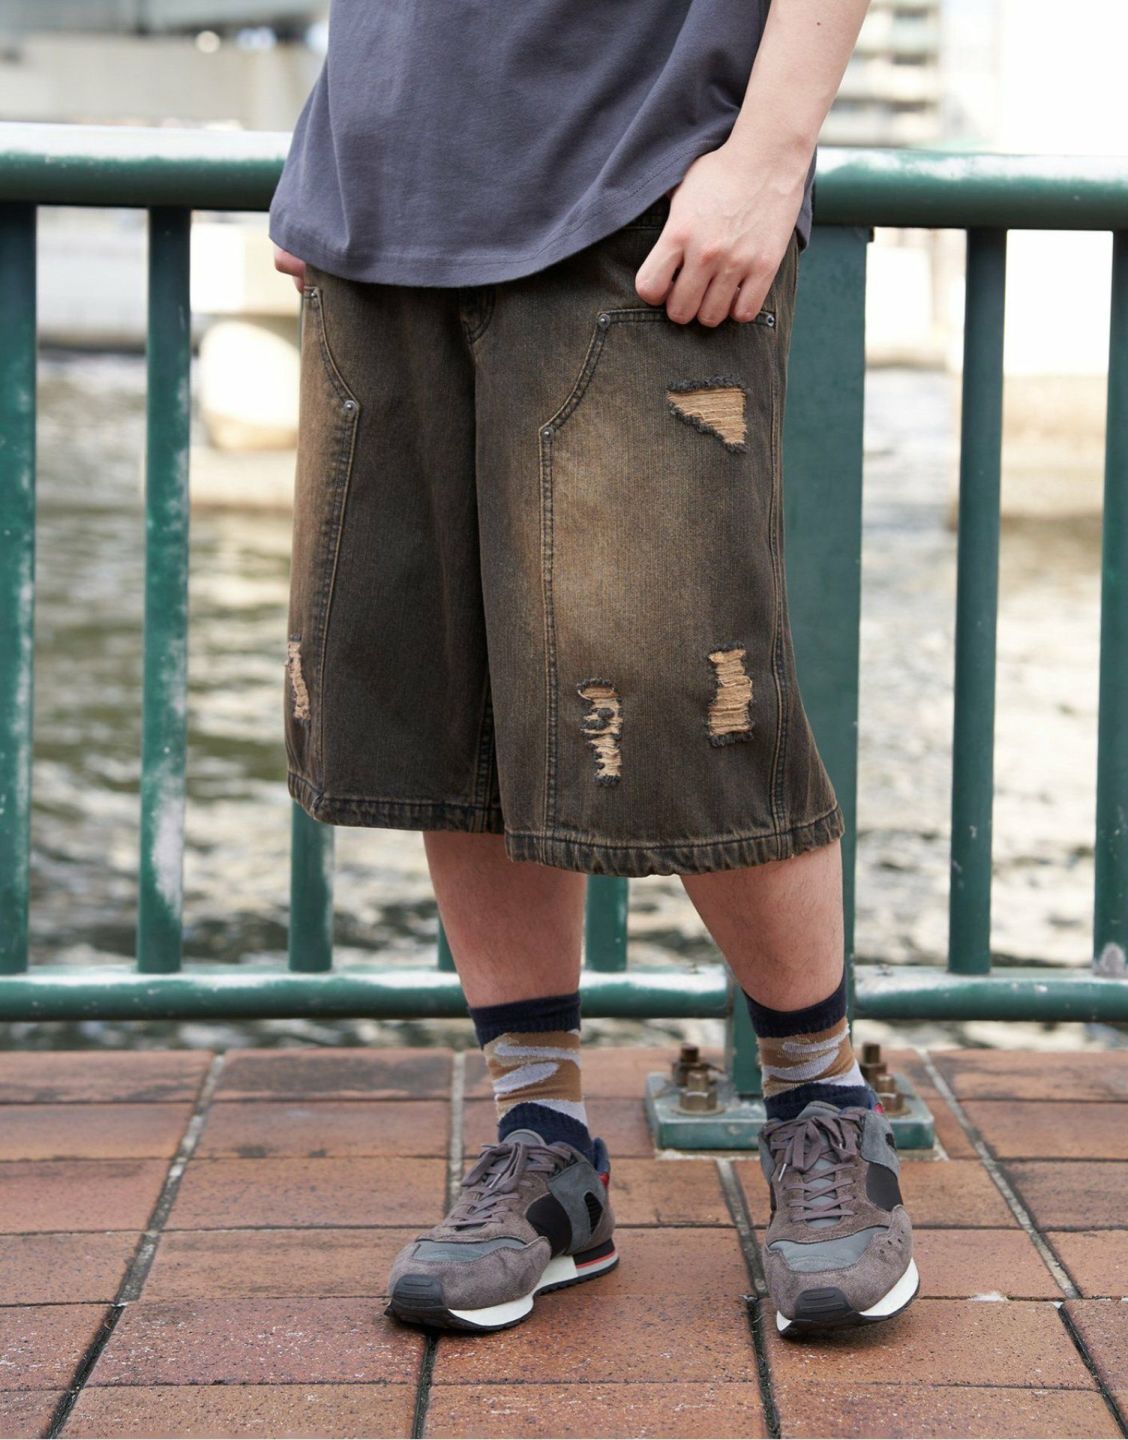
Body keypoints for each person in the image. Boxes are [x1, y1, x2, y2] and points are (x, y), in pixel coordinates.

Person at [268, 0, 918, 1338]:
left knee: (694, 690)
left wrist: (771, 154)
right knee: (452, 698)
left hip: (647, 182)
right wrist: (329, 138)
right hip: (384, 185)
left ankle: (823, 1107)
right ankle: (544, 1148)